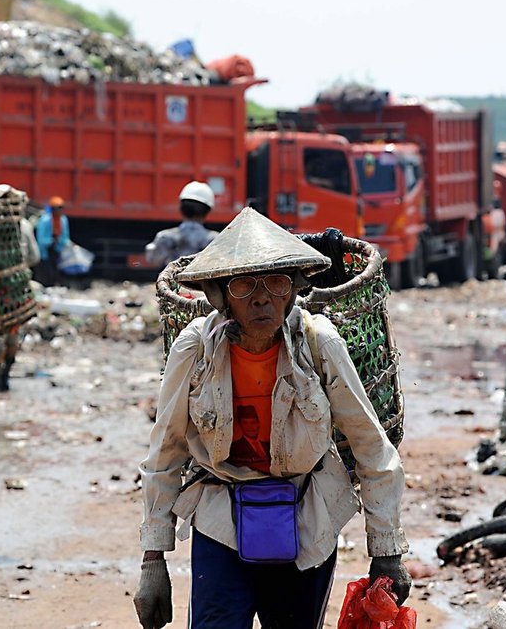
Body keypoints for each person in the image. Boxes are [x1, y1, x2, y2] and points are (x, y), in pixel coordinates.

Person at [134, 207, 410, 628]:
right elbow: (166, 451)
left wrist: (387, 550)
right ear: (220, 295)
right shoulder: (194, 350)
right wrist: (153, 561)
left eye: (277, 283)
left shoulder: (320, 345)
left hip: (307, 514)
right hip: (221, 516)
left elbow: (370, 445)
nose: (262, 298)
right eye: (245, 285)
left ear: (295, 291)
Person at [0, 216, 41, 392]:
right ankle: (5, 376)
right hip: (18, 289)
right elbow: (35, 257)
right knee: (14, 331)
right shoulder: (24, 225)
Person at [145, 181, 219, 267]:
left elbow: (152, 260)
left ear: (181, 208)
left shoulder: (164, 237)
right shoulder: (215, 240)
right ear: (208, 211)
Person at [34, 196, 70, 284]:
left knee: (56, 268)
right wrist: (50, 241)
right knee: (46, 270)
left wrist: (64, 242)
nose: (59, 211)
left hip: (57, 248)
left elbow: (65, 235)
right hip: (46, 249)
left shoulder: (63, 220)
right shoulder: (45, 220)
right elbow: (41, 238)